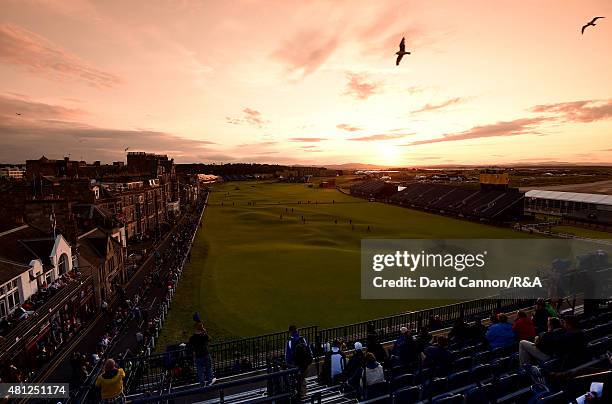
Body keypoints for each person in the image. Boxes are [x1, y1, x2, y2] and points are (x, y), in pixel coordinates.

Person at [286, 325, 313, 398]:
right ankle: (303, 394)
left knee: (298, 378)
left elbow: (288, 358)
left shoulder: (290, 342)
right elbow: (310, 352)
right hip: (306, 365)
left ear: (290, 332)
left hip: (297, 367)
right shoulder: (303, 339)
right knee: (302, 378)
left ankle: (300, 395)